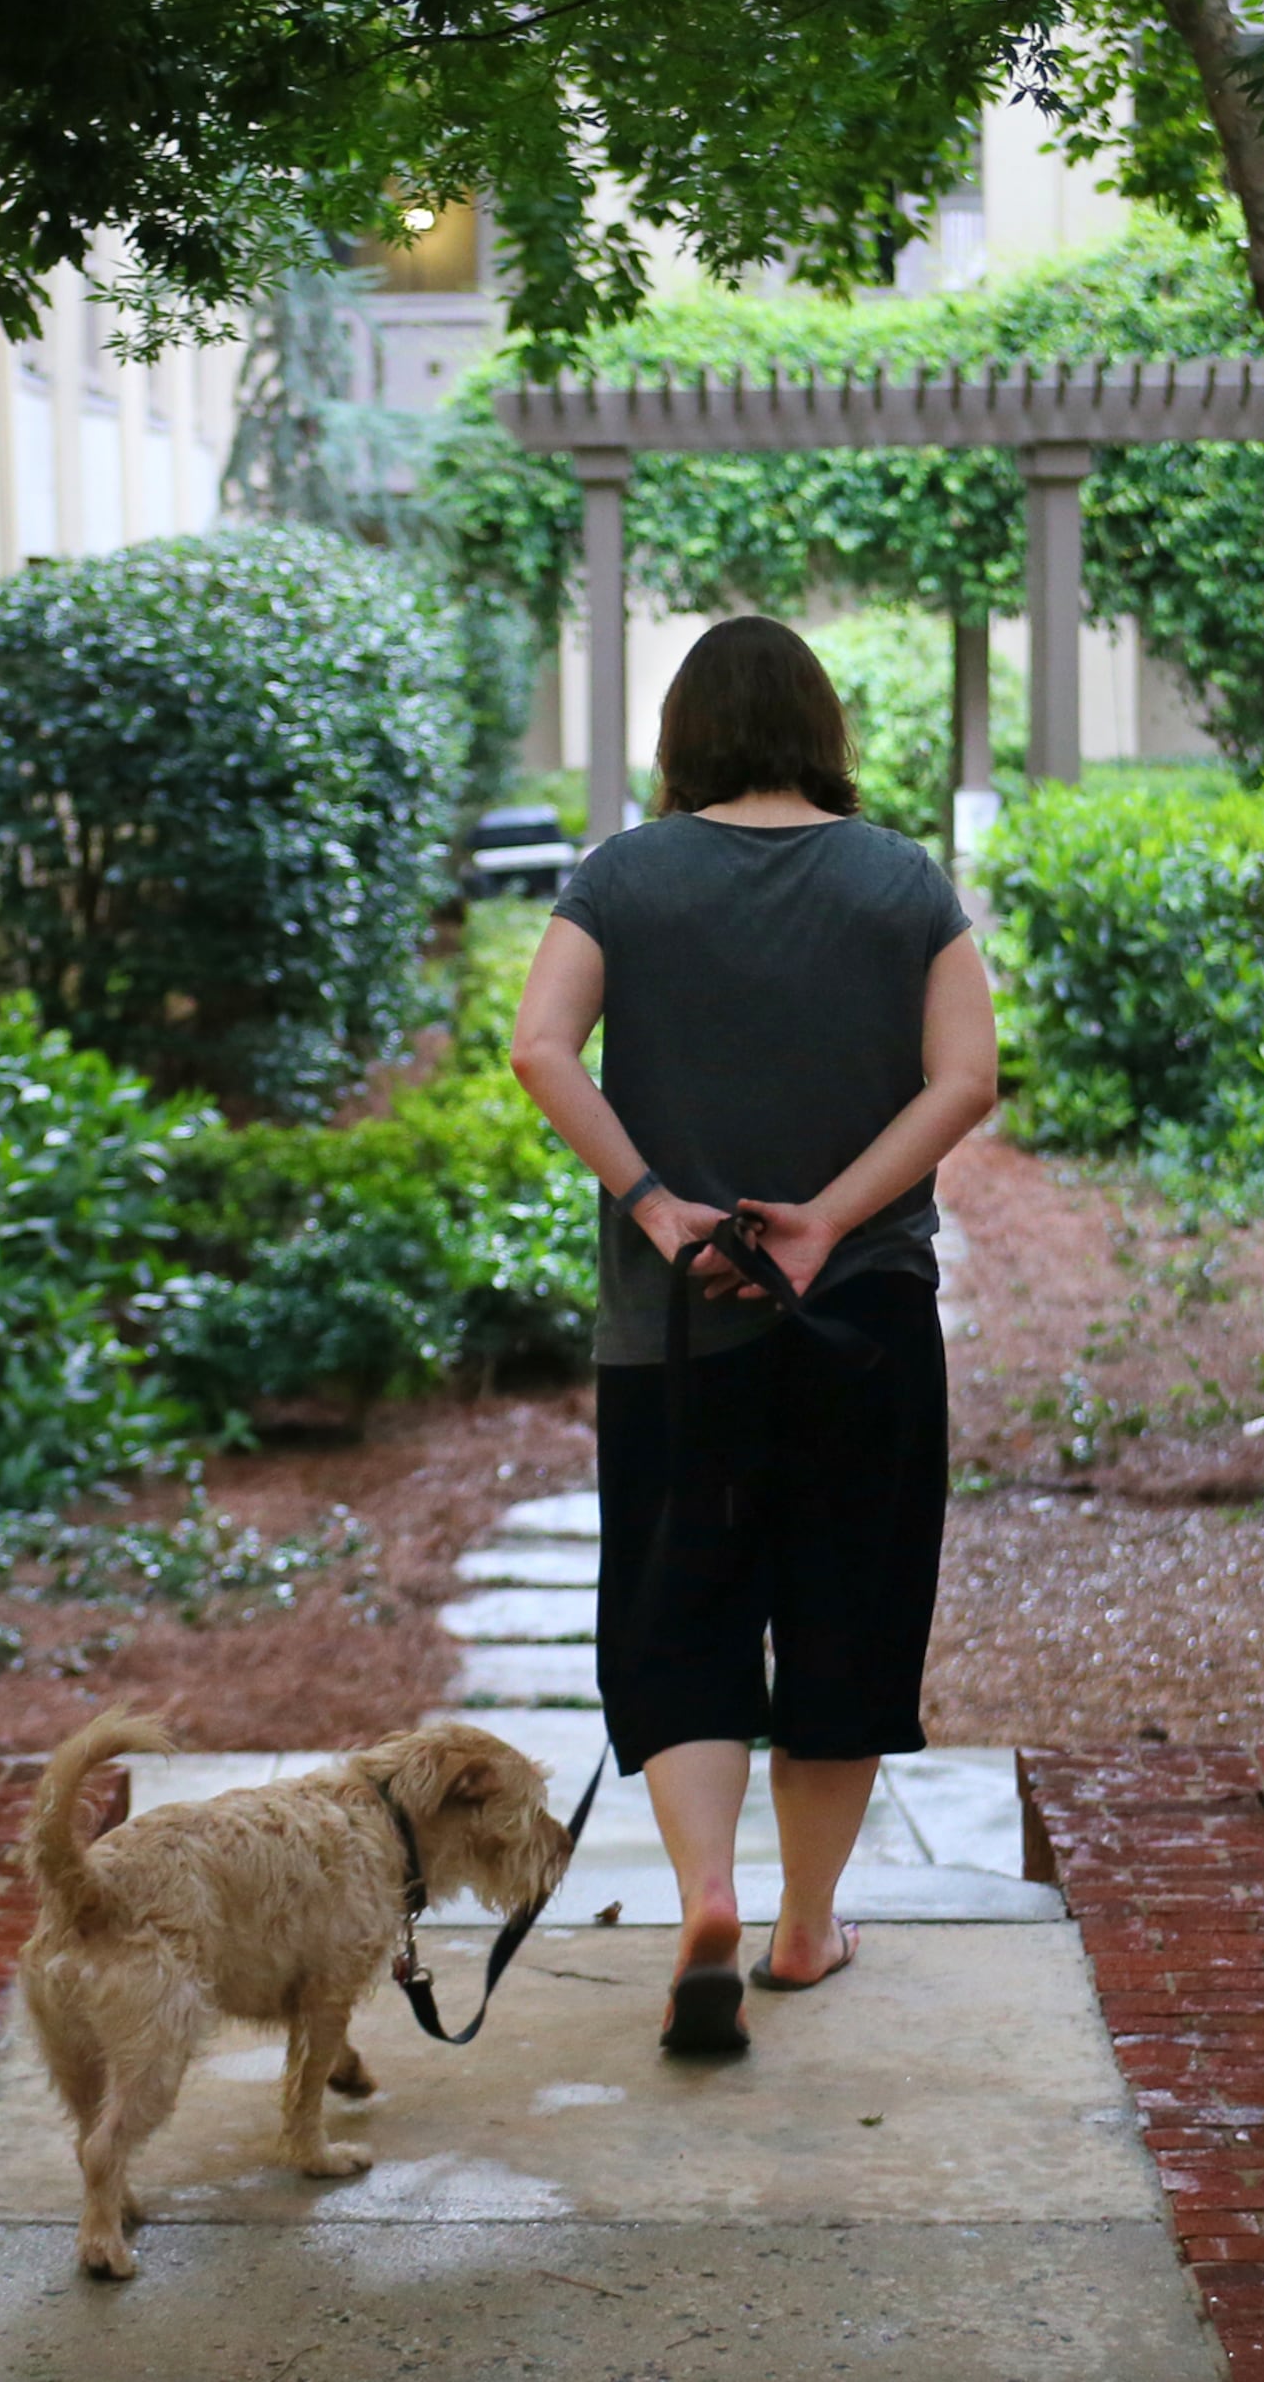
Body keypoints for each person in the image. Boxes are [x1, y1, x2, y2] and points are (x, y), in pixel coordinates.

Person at [507, 614, 998, 2059]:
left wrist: (660, 1206)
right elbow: (966, 1078)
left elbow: (541, 1045)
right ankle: (801, 1928)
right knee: (844, 1612)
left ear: (682, 735)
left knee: (684, 1615)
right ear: (821, 728)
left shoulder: (624, 875)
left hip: (677, 1325)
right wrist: (832, 1218)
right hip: (861, 1323)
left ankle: (706, 1895)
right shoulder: (902, 878)